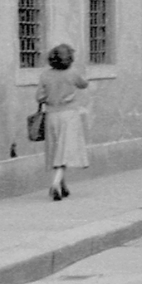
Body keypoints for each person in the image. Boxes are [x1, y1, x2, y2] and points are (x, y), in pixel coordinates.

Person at [37, 42, 90, 200]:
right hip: (69, 115)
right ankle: (55, 184)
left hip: (52, 115)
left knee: (56, 150)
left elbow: (39, 96)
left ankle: (63, 185)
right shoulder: (72, 73)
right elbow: (84, 84)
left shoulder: (45, 75)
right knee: (65, 151)